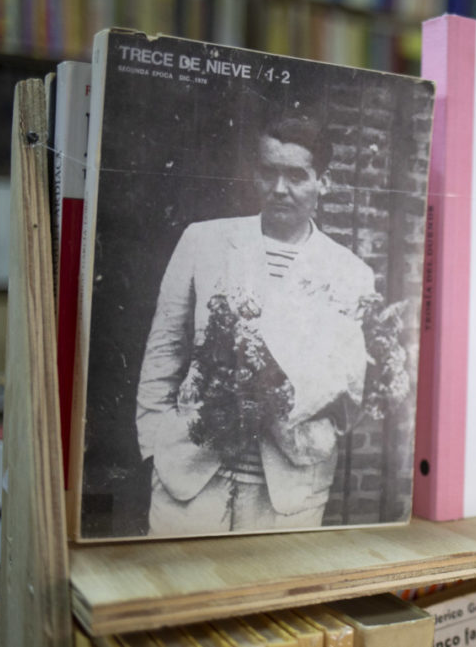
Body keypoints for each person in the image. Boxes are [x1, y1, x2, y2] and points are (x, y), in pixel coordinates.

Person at [135, 116, 375, 535]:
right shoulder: (203, 242)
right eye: (269, 172)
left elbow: (347, 391)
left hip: (288, 489)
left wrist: (280, 392)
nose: (280, 188)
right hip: (189, 478)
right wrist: (155, 448)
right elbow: (164, 351)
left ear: (325, 181)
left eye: (297, 175)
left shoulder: (349, 273)